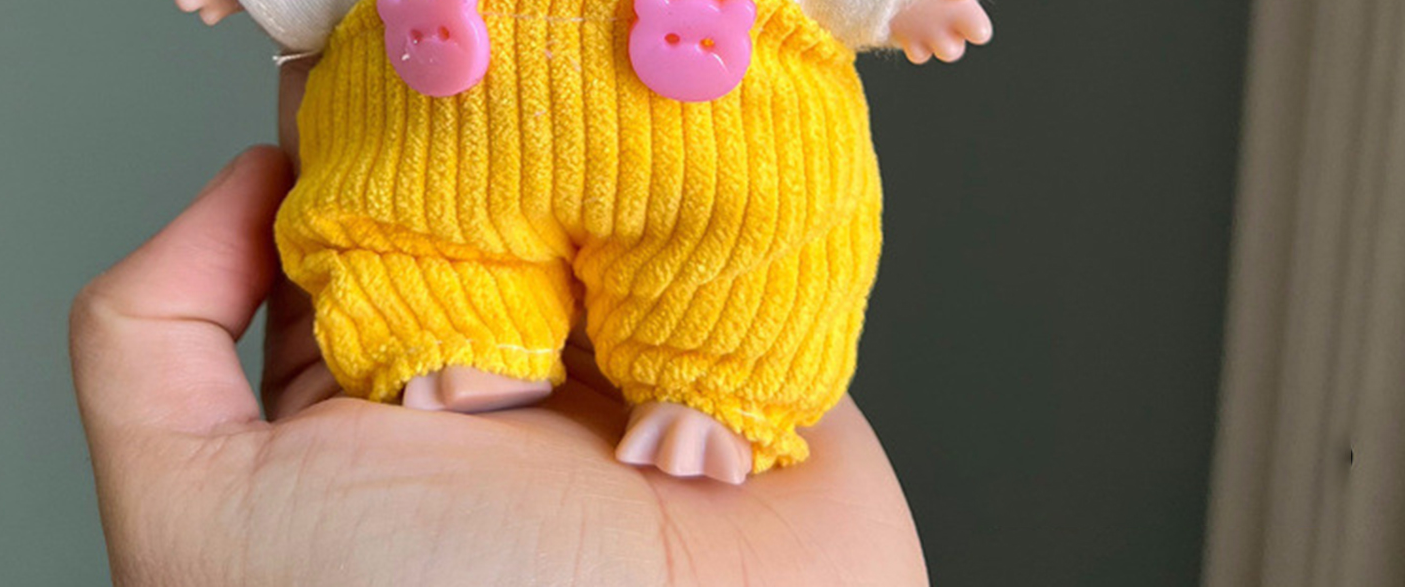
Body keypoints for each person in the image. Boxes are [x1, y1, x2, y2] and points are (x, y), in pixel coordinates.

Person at [71, 143, 930, 586]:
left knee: (733, 268)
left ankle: (714, 392)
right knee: (431, 234)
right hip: (469, 126)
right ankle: (467, 349)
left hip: (704, 152)